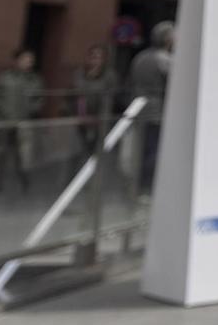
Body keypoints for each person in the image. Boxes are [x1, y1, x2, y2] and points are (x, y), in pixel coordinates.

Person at [0, 49, 42, 195]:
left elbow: (40, 100)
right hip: (4, 123)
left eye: (31, 60)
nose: (28, 63)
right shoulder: (5, 77)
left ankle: (26, 185)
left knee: (23, 156)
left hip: (23, 123)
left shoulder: (35, 80)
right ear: (17, 61)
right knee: (0, 155)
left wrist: (30, 109)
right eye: (25, 59)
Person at [129, 21, 174, 195]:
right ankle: (146, 187)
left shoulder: (140, 57)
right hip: (157, 112)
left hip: (138, 110)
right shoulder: (164, 59)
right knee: (153, 151)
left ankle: (135, 186)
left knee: (140, 150)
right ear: (167, 38)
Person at [72, 44, 118, 154]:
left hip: (100, 118)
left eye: (98, 58)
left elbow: (111, 97)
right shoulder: (80, 74)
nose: (95, 61)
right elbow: (76, 92)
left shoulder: (109, 76)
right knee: (79, 148)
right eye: (93, 57)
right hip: (81, 116)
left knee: (96, 148)